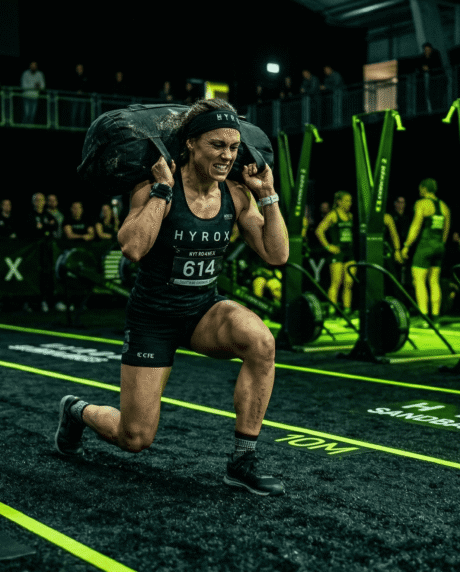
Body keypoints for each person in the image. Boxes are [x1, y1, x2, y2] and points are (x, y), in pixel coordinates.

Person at [54, 99, 290, 496]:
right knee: (135, 438)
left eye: (232, 148)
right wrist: (162, 191)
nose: (227, 156)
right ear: (191, 144)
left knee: (262, 342)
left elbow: (277, 255)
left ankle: (242, 460)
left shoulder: (234, 193)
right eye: (217, 146)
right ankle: (76, 411)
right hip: (153, 319)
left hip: (202, 312)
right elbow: (132, 248)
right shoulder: (153, 186)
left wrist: (268, 194)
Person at [401, 178, 450, 327]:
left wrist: (406, 246)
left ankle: (424, 316)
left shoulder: (422, 204)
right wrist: (440, 244)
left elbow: (416, 226)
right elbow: (446, 231)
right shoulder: (444, 206)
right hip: (439, 246)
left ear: (423, 189)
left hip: (426, 245)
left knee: (419, 280)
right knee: (434, 281)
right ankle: (435, 317)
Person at [315, 191, 356, 317]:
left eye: (350, 201)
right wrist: (328, 246)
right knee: (336, 282)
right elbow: (319, 231)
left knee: (349, 282)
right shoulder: (333, 215)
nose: (349, 203)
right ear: (339, 201)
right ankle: (332, 310)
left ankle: (347, 310)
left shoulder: (350, 216)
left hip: (349, 252)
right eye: (346, 200)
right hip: (336, 252)